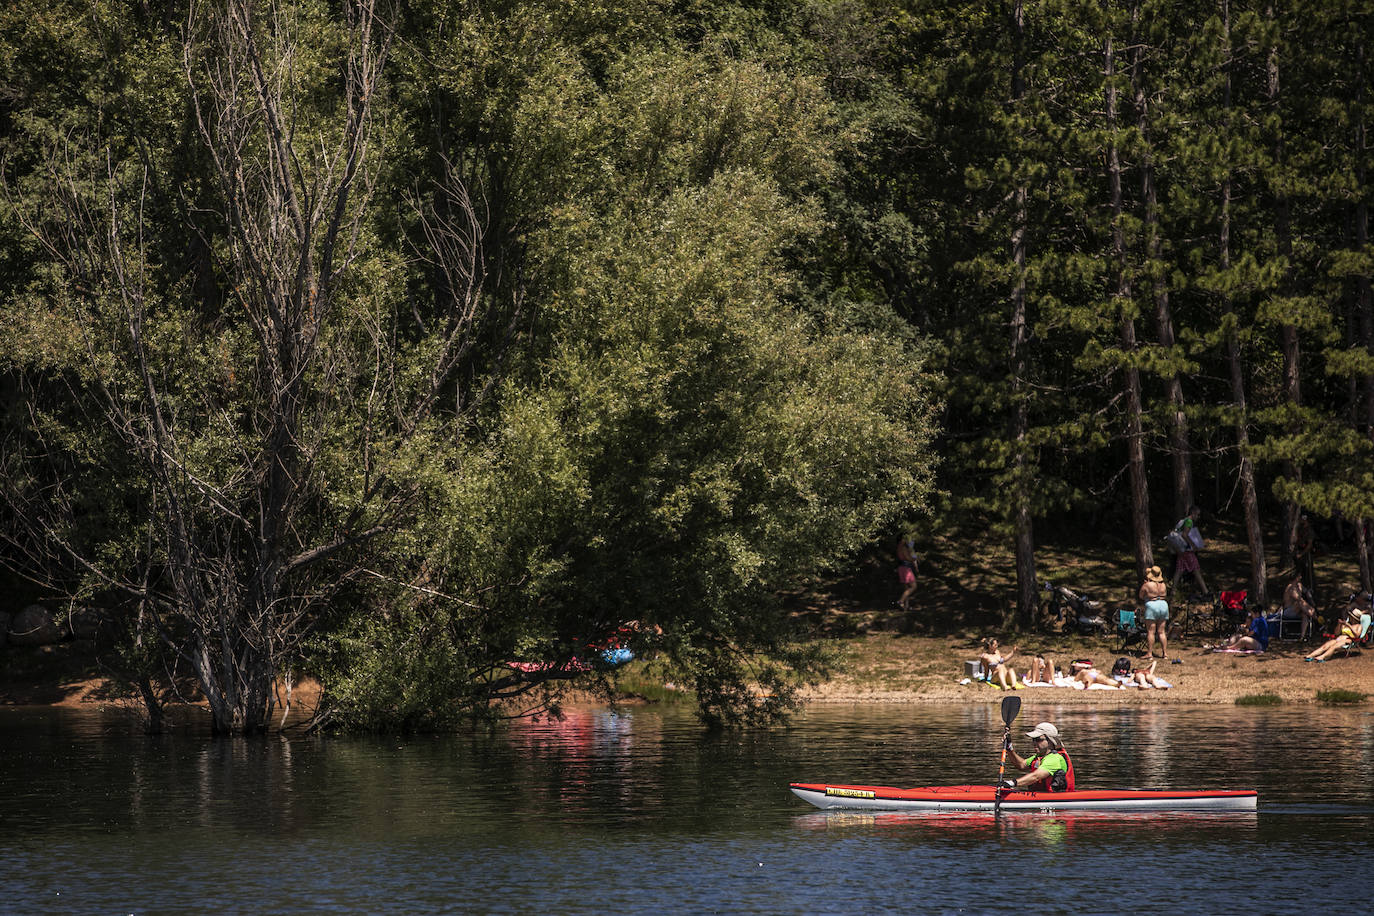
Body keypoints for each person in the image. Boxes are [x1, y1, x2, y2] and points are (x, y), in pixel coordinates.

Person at [1000, 722, 1075, 792]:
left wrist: (1012, 783)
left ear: (1050, 741)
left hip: (1054, 801)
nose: (1034, 743)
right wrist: (1009, 748)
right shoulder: (1039, 757)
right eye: (1033, 739)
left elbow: (1036, 776)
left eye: (1038, 739)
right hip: (1041, 798)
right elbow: (1021, 765)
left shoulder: (1055, 759)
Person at [1305, 606, 1369, 662]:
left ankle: (1323, 657)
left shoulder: (1359, 626)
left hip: (1348, 640)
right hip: (1339, 638)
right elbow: (1336, 633)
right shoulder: (1346, 623)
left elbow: (1357, 635)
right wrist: (1339, 625)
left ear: (1354, 618)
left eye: (1351, 616)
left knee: (1333, 647)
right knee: (1325, 646)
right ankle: (1311, 655)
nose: (1349, 617)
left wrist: (1349, 626)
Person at [1171, 505, 1209, 595]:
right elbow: (1185, 535)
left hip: (1180, 550)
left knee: (1179, 570)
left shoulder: (1182, 521)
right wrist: (1193, 545)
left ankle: (1173, 590)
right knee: (1196, 569)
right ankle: (1205, 591)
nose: (1198, 517)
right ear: (1193, 513)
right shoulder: (1189, 521)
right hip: (1187, 550)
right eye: (1197, 514)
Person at [1138, 565, 1170, 659]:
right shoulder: (1163, 584)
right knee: (1161, 631)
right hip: (1163, 605)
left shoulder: (1147, 585)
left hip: (1152, 605)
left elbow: (1141, 595)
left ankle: (1149, 653)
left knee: (1151, 631)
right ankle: (1165, 653)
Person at [1280, 572, 1317, 640]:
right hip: (1288, 611)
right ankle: (1316, 618)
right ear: (1296, 578)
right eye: (1299, 576)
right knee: (1299, 603)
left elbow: (1306, 591)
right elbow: (1299, 599)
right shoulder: (1290, 587)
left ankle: (1302, 637)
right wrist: (1311, 608)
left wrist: (1310, 597)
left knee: (1304, 615)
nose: (1301, 578)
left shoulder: (1299, 585)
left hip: (1297, 611)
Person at [896, 533, 919, 613]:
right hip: (906, 568)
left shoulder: (898, 547)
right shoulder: (903, 547)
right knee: (913, 586)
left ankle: (906, 606)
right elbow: (908, 558)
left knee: (906, 588)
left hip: (901, 568)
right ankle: (900, 601)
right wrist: (915, 558)